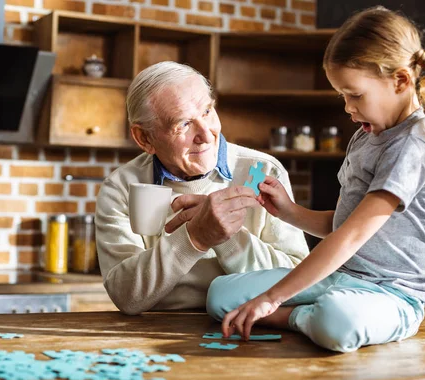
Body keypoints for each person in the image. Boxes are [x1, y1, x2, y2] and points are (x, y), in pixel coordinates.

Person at [207, 6, 425, 352]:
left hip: (391, 295)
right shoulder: (366, 135)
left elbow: (351, 236)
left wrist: (273, 299)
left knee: (336, 320)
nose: (348, 107)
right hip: (340, 278)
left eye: (355, 95)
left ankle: (293, 317)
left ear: (401, 81)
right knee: (219, 295)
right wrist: (289, 211)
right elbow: (343, 224)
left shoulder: (414, 144)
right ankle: (305, 313)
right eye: (342, 95)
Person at [95, 61, 310, 315]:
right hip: (156, 330)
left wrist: (229, 239)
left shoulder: (262, 172)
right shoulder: (120, 188)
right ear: (145, 138)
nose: (207, 135)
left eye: (207, 111)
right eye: (184, 124)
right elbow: (126, 296)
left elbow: (300, 285)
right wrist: (194, 238)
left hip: (250, 325)